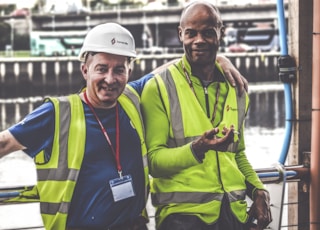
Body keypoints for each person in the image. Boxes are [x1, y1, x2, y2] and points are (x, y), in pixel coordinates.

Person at [0, 21, 247, 230]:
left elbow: (168, 70)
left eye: (119, 69)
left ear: (130, 71)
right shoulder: (58, 113)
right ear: (85, 69)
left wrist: (218, 60)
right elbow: (4, 143)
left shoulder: (130, 98)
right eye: (101, 69)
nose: (110, 79)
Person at [140, 1, 272, 230]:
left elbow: (237, 154)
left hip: (234, 214)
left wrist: (259, 190)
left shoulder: (237, 89)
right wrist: (197, 149)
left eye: (208, 32)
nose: (199, 40)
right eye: (191, 33)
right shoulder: (159, 87)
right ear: (180, 34)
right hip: (182, 218)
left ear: (221, 33)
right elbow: (154, 163)